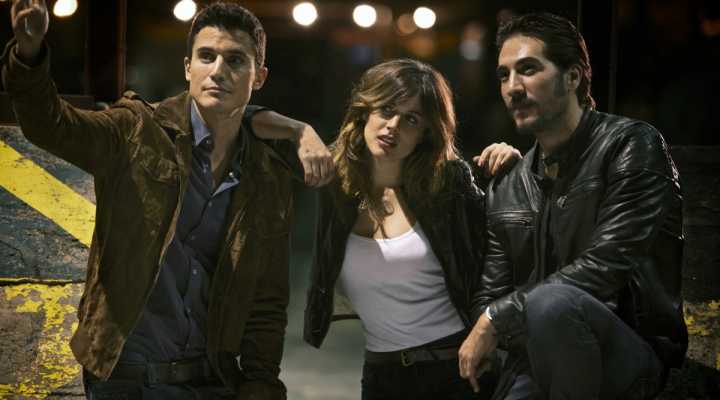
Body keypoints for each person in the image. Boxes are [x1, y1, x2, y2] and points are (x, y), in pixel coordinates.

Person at [2, 1, 332, 399]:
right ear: (188, 68)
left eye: (235, 60)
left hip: (211, 380)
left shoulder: (266, 176)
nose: (218, 71)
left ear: (258, 77)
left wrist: (261, 384)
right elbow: (51, 124)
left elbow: (267, 300)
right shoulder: (137, 131)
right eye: (206, 57)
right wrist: (29, 53)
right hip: (126, 379)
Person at [457, 12, 688, 400]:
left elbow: (607, 265)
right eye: (503, 75)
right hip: (538, 358)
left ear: (573, 76)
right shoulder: (509, 183)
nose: (513, 87)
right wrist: (494, 318)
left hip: (626, 354)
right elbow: (488, 295)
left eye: (528, 69)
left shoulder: (629, 146)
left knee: (552, 302)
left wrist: (497, 317)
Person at [281, 58, 520, 400]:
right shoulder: (336, 186)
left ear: (426, 133)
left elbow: (506, 254)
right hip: (381, 374)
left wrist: (514, 171)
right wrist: (299, 130)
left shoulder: (450, 185)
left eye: (411, 119)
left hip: (457, 372)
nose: (392, 126)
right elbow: (243, 130)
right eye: (386, 109)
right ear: (365, 112)